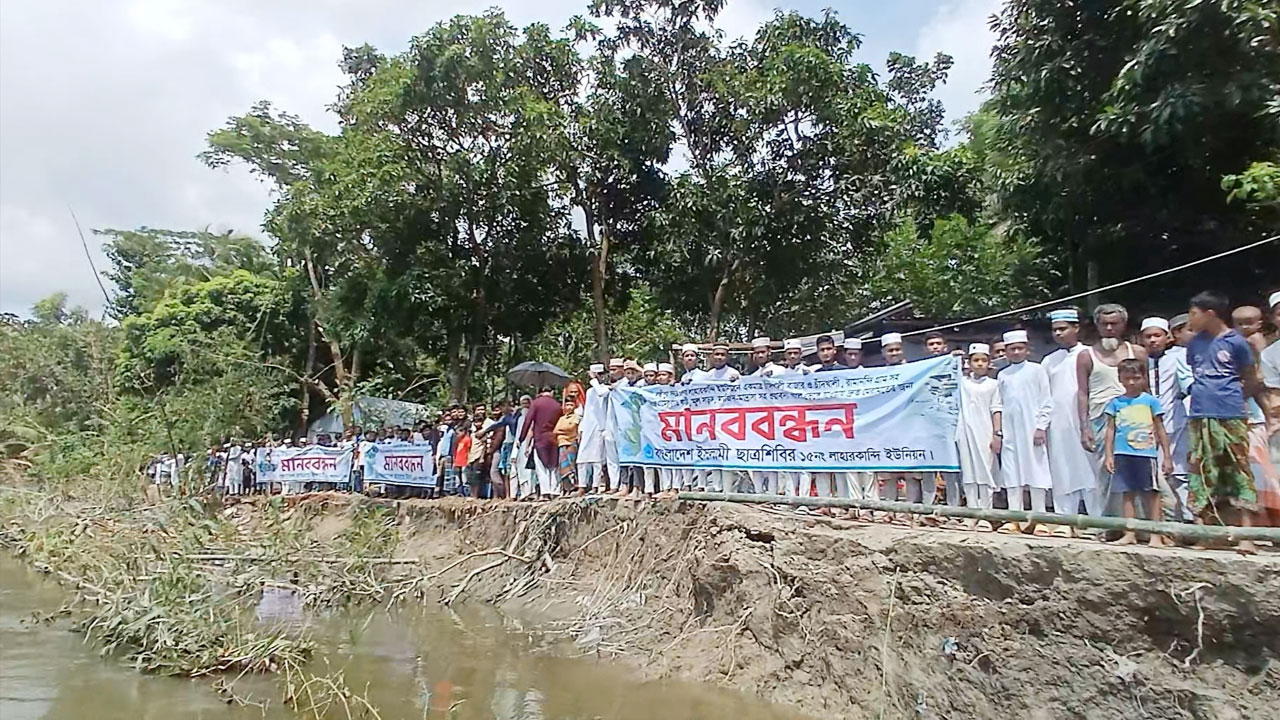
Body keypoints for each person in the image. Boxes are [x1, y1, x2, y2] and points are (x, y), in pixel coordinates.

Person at [1185, 291, 1269, 553]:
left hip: (1230, 414)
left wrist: (1232, 398)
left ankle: (1246, 535)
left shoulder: (1236, 342)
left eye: (1194, 313)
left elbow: (1253, 377)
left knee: (1237, 469)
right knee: (1202, 470)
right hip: (1199, 414)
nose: (1191, 319)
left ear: (1210, 313)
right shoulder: (1195, 342)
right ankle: (1209, 533)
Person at [1077, 303, 1147, 514]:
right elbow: (1083, 393)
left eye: (1114, 324)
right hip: (1102, 421)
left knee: (1140, 471)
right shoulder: (1086, 355)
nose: (1109, 328)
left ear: (1123, 325)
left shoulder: (1137, 352)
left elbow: (1147, 388)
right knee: (1108, 472)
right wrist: (1085, 427)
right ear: (1097, 326)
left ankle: (1143, 524)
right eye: (1104, 324)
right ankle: (1111, 523)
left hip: (1135, 419)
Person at [1103, 359, 1174, 547]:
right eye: (1127, 378)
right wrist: (1109, 455)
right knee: (1127, 493)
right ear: (1120, 379)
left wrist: (1166, 456)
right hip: (1122, 453)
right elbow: (1110, 430)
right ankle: (1129, 533)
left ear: (1143, 378)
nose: (1132, 382)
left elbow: (1160, 429)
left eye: (1136, 378)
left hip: (1146, 454)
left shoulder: (1151, 401)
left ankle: (1156, 534)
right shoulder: (1116, 403)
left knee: (1152, 493)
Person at [1043, 308, 1097, 532]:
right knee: (1062, 470)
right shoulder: (1049, 361)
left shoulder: (1091, 354)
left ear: (1076, 328)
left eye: (1063, 329)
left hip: (1086, 422)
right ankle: (1064, 521)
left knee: (1090, 470)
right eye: (1055, 330)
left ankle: (1097, 521)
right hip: (1059, 424)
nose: (1058, 333)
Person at [996, 330, 1054, 535]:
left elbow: (1046, 401)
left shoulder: (1037, 371)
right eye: (1012, 349)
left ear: (1027, 350)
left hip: (1032, 430)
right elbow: (999, 404)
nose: (1016, 352)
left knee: (1037, 471)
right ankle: (1014, 518)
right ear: (1006, 352)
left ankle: (1039, 519)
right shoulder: (1003, 375)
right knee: (1012, 475)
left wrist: (1041, 427)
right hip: (1010, 433)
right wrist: (999, 433)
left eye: (1020, 348)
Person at [1141, 317, 1194, 522]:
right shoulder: (1139, 359)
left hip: (1177, 422)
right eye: (1148, 336)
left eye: (1157, 335)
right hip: (1146, 427)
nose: (1153, 340)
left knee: (1180, 473)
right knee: (1154, 475)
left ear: (1167, 337)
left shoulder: (1180, 356)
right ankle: (1161, 521)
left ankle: (1187, 518)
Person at [1234, 304, 1280, 525]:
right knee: (1263, 475)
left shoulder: (1257, 344)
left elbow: (1258, 380)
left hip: (1259, 414)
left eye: (1248, 323)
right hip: (1256, 415)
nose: (1245, 327)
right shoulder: (1244, 344)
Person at [876, 333, 925, 524]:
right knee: (888, 473)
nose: (894, 353)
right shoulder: (878, 375)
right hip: (887, 427)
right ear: (883, 353)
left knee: (911, 472)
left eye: (897, 349)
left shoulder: (915, 370)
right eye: (890, 350)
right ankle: (890, 509)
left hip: (910, 426)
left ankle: (909, 511)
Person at [957, 343, 1003, 530]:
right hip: (964, 431)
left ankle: (985, 514)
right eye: (976, 360)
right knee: (969, 473)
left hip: (985, 431)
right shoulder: (962, 383)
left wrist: (997, 434)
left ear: (989, 363)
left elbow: (997, 409)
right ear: (969, 363)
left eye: (983, 360)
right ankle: (971, 512)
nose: (979, 364)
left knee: (985, 472)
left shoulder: (994, 384)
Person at [521, 387, 564, 500]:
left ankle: (545, 492)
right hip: (554, 437)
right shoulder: (558, 405)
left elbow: (528, 420)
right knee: (554, 465)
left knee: (541, 466)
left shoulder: (536, 403)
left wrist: (522, 437)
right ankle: (555, 491)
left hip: (540, 438)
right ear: (552, 392)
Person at [576, 365, 609, 494]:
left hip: (600, 428)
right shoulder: (590, 391)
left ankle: (595, 486)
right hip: (588, 427)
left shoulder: (605, 389)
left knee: (597, 459)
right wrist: (581, 429)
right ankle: (582, 486)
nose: (600, 377)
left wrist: (594, 380)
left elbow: (602, 393)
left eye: (601, 374)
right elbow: (587, 412)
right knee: (582, 458)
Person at [554, 397, 581, 496]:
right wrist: (564, 431)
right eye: (567, 405)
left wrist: (562, 431)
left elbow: (571, 428)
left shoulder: (576, 417)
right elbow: (555, 430)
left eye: (571, 405)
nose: (569, 407)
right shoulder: (562, 418)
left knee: (571, 465)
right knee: (563, 467)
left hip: (571, 443)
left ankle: (574, 487)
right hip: (561, 443)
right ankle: (566, 488)